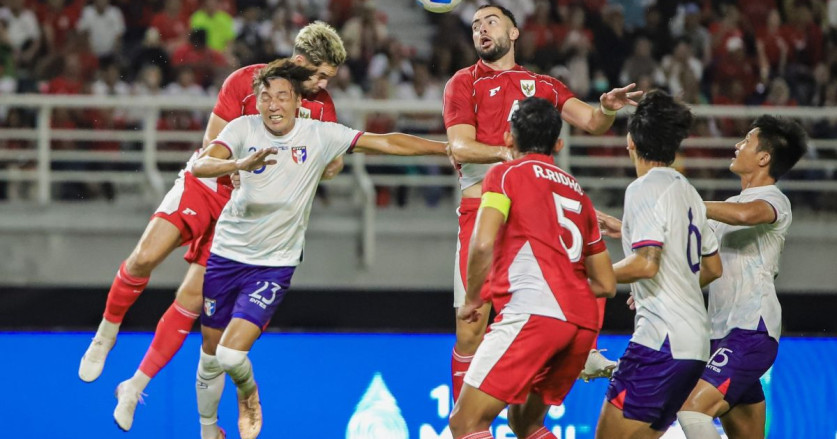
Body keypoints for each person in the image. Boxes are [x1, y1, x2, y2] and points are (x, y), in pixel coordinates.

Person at [77, 21, 348, 432]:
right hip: (207, 184)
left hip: (244, 214)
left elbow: (333, 162)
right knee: (144, 257)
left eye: (329, 77)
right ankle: (105, 334)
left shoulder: (321, 105)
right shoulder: (245, 80)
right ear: (299, 62)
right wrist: (235, 167)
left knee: (192, 305)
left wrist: (322, 164)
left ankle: (134, 385)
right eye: (321, 74)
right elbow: (211, 141)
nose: (324, 84)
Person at [191, 59, 447, 439]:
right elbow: (201, 166)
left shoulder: (320, 134)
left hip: (273, 266)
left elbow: (388, 142)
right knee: (209, 359)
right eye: (265, 97)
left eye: (282, 97)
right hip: (226, 256)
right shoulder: (241, 128)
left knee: (230, 356)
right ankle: (208, 430)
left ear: (297, 102)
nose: (273, 105)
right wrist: (239, 162)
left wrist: (447, 148)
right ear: (257, 102)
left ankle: (248, 392)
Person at [443, 4, 642, 401]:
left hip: (533, 208)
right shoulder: (464, 82)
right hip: (482, 208)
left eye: (491, 22)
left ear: (514, 33)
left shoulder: (543, 85)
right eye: (476, 25)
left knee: (559, 285)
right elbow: (460, 146)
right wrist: (513, 158)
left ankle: (583, 350)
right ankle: (464, 418)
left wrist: (606, 108)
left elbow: (590, 122)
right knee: (472, 324)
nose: (481, 30)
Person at [449, 97, 616, 439]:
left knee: (466, 423)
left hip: (534, 312)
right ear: (558, 144)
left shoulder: (504, 175)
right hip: (582, 325)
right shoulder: (579, 193)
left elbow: (481, 244)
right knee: (526, 424)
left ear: (508, 138)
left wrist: (472, 299)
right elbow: (606, 283)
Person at [594, 90, 723, 439]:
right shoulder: (689, 191)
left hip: (660, 342)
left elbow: (647, 263)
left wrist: (585, 276)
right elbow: (711, 269)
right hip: (694, 344)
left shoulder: (643, 188)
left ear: (630, 141)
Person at [675, 116, 807, 439]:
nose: (737, 145)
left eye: (746, 140)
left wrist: (693, 203)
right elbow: (708, 269)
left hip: (751, 329)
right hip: (721, 333)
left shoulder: (775, 199)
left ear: (764, 158)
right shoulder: (728, 207)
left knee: (692, 411)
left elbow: (748, 215)